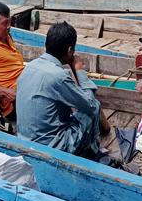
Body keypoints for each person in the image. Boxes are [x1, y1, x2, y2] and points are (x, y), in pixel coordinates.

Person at [15, 22, 106, 160]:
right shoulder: (58, 76)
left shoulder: (30, 67)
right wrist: (79, 70)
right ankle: (93, 153)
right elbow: (90, 105)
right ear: (70, 51)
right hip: (50, 148)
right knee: (94, 107)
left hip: (24, 140)